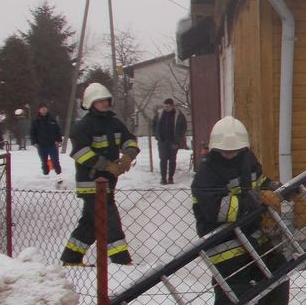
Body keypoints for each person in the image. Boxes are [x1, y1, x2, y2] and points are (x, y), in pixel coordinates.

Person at [191, 116, 290, 305]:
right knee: (234, 290)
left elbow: (259, 181)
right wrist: (257, 199)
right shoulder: (207, 173)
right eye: (225, 151)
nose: (230, 154)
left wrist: (275, 188)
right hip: (223, 242)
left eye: (234, 150)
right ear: (215, 148)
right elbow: (219, 210)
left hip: (250, 234)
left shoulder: (247, 160)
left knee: (278, 268)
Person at [61, 83, 139, 267]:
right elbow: (80, 153)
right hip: (91, 183)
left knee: (90, 225)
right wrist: (107, 165)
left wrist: (128, 154)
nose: (104, 103)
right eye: (99, 100)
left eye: (106, 100)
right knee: (110, 222)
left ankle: (71, 258)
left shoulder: (114, 123)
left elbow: (129, 140)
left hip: (107, 183)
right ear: (90, 103)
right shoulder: (84, 126)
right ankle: (122, 262)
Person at [152, 98, 188, 184]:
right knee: (163, 159)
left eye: (168, 107)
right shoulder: (159, 114)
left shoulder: (178, 115)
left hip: (174, 141)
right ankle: (163, 178)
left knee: (172, 160)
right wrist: (157, 136)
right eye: (165, 106)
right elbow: (153, 125)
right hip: (162, 141)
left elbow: (183, 127)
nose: (166, 108)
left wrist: (179, 138)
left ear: (172, 106)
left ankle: (171, 177)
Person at [29, 103, 64, 178]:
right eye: (42, 108)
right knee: (44, 162)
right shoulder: (35, 121)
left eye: (45, 108)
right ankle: (45, 176)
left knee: (55, 161)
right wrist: (34, 142)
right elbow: (32, 133)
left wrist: (59, 140)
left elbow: (57, 131)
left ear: (47, 109)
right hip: (41, 145)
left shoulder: (52, 120)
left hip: (52, 145)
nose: (44, 110)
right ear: (39, 110)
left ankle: (59, 175)